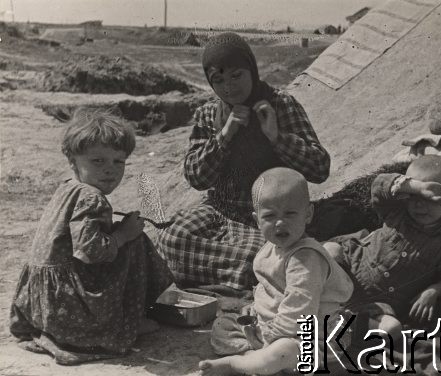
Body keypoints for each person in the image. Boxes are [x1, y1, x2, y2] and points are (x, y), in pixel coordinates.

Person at [157, 32, 330, 290]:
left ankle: (237, 277)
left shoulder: (281, 105)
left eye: (236, 75)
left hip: (267, 216)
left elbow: (319, 168)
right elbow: (196, 178)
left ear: (251, 69)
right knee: (172, 239)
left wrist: (276, 136)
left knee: (258, 257)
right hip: (220, 209)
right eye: (219, 80)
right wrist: (224, 135)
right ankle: (244, 280)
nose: (229, 87)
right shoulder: (208, 114)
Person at [9, 108, 173, 365]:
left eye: (118, 162)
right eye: (98, 161)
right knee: (136, 242)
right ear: (73, 161)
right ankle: (128, 321)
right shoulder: (91, 197)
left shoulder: (69, 188)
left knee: (124, 235)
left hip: (42, 308)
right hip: (70, 311)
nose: (110, 170)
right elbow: (91, 251)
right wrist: (123, 234)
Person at [199, 167, 353, 375]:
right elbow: (269, 289)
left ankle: (238, 363)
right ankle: (260, 360)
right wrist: (254, 309)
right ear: (257, 220)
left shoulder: (305, 258)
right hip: (275, 325)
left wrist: (268, 335)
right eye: (270, 216)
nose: (280, 223)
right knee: (223, 327)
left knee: (285, 350)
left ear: (308, 214)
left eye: (290, 213)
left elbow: (299, 311)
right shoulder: (271, 248)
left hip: (314, 334)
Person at [324, 155, 441, 342]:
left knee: (392, 329)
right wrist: (416, 187)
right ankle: (321, 306)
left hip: (378, 305)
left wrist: (432, 291)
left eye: (429, 198)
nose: (419, 204)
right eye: (413, 197)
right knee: (330, 250)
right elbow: (379, 184)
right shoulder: (396, 211)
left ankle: (337, 320)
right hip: (349, 272)